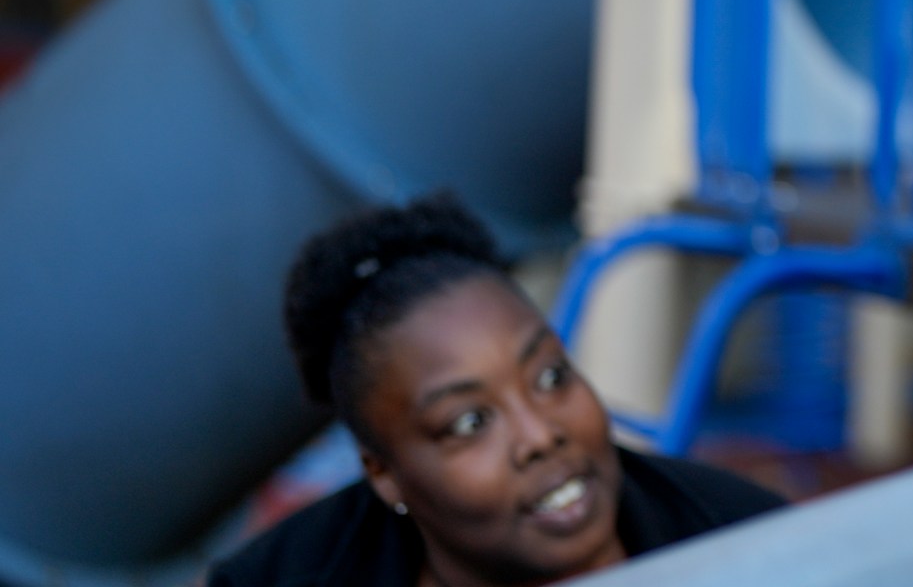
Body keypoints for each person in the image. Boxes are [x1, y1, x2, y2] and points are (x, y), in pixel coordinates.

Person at [210, 195, 784, 587]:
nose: (540, 435)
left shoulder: (748, 548)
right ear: (384, 474)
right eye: (469, 423)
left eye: (551, 379)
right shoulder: (289, 577)